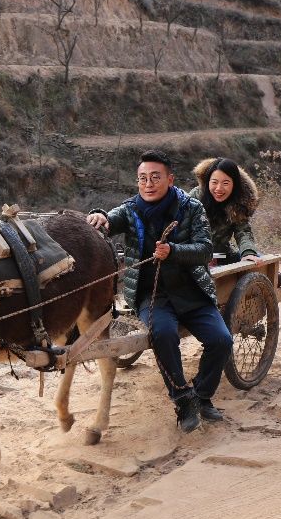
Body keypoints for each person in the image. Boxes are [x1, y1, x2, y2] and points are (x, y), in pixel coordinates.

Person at [87, 150, 232, 433]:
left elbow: (204, 250)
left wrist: (174, 251)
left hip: (192, 292)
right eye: (143, 178)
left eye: (155, 177)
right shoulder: (130, 210)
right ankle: (181, 399)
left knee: (222, 341)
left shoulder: (191, 208)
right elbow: (110, 219)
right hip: (153, 296)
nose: (148, 184)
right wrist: (99, 216)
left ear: (170, 179)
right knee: (163, 335)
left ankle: (201, 397)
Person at [189, 157, 281, 287]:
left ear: (234, 184)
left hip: (222, 254)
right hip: (195, 254)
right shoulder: (194, 198)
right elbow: (180, 226)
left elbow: (243, 231)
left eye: (225, 183)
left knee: (255, 259)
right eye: (214, 182)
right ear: (208, 181)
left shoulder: (238, 203)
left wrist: (248, 253)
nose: (219, 188)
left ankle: (270, 277)